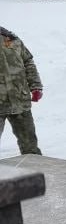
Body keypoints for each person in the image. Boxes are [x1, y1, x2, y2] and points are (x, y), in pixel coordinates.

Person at [0, 26, 43, 155]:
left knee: (30, 147)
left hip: (20, 101)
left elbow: (28, 62)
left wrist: (35, 86)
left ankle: (34, 167)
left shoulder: (11, 39)